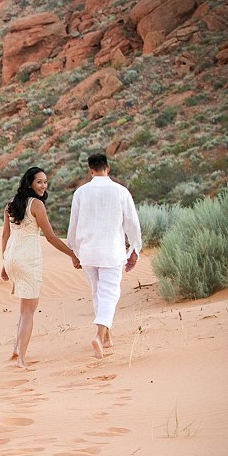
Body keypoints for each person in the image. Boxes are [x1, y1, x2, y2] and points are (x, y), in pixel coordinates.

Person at [1, 166, 81, 369]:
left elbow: (5, 236)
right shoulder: (36, 205)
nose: (44, 186)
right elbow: (51, 237)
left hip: (11, 257)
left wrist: (4, 264)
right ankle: (21, 360)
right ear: (29, 183)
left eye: (45, 182)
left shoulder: (11, 204)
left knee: (23, 309)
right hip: (28, 260)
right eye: (39, 182)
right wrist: (73, 254)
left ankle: (16, 350)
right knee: (29, 311)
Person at [67, 153, 142, 359]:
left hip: (89, 252)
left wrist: (73, 252)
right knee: (109, 294)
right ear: (107, 168)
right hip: (111, 251)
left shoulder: (81, 193)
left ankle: (107, 337)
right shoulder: (121, 191)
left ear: (90, 170)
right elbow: (132, 224)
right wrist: (134, 248)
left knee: (97, 293)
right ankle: (99, 336)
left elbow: (72, 226)